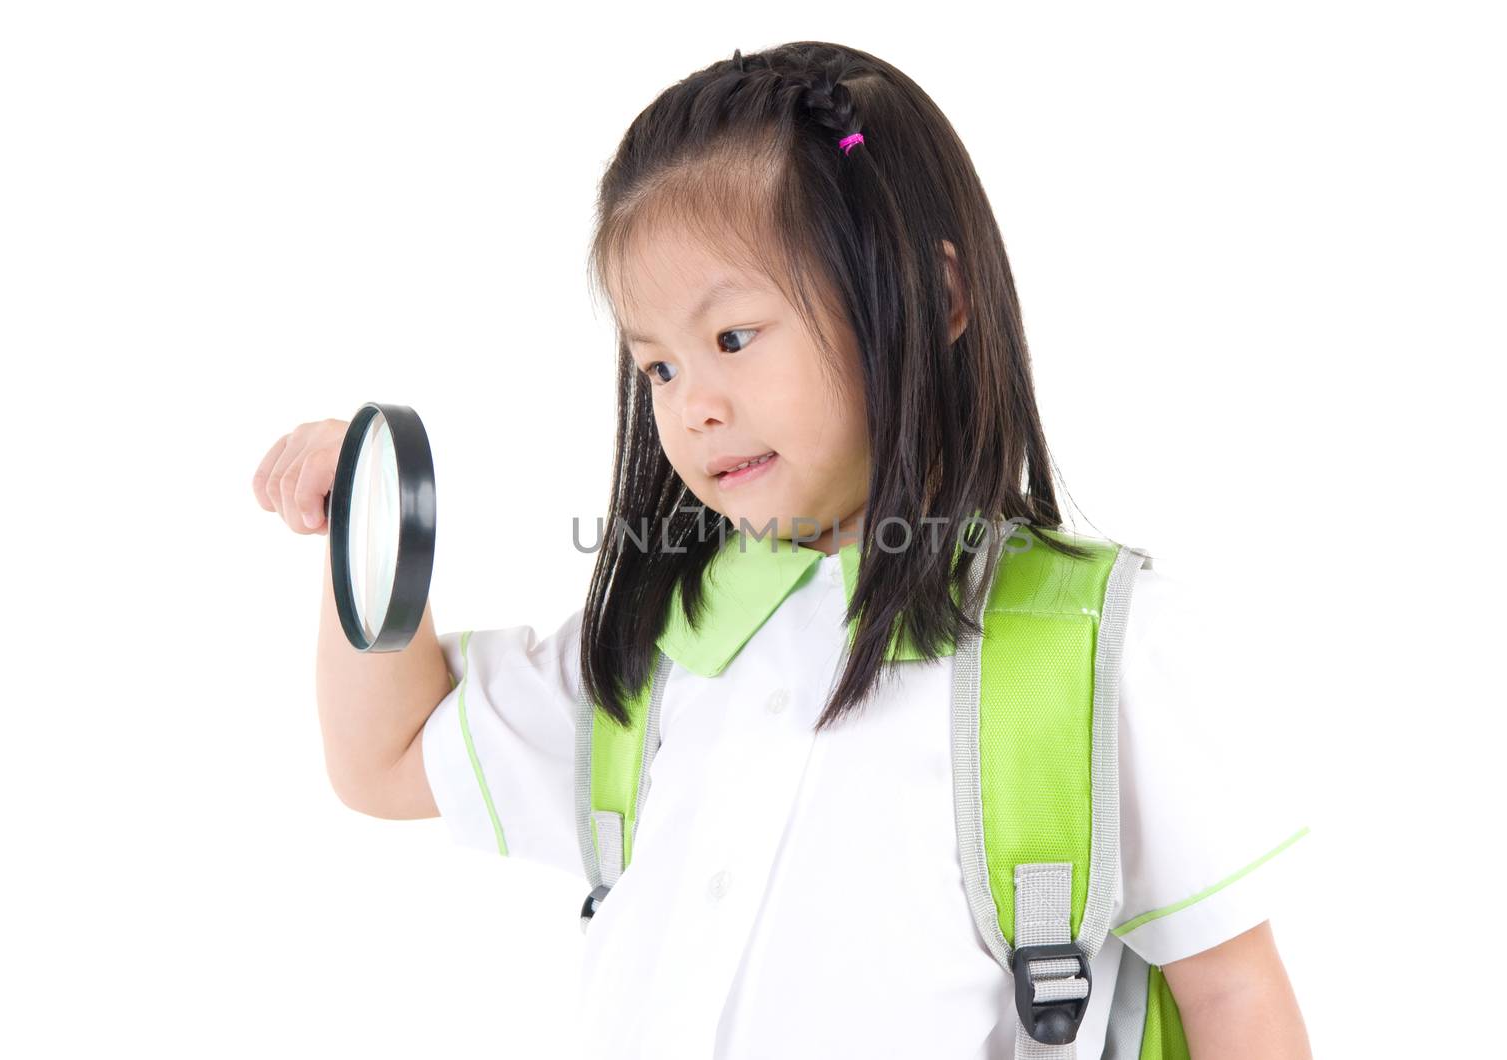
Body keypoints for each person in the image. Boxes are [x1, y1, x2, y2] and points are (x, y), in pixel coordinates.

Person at [253, 40, 1312, 1060]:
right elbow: (384, 760)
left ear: (932, 298)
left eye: (731, 338)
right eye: (657, 366)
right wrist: (367, 527)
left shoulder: (1092, 648)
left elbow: (1229, 988)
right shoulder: (667, 644)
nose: (693, 407)